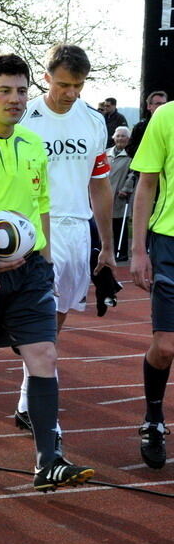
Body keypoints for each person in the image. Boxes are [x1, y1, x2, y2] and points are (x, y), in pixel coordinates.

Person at [0, 54, 94, 489]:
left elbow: (41, 205)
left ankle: (48, 458)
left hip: (29, 272)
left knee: (44, 355)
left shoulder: (32, 143)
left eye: (21, 90)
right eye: (5, 91)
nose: (15, 99)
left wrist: (44, 260)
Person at [15, 44, 115, 432]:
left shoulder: (93, 121)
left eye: (78, 85)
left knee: (54, 321)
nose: (71, 93)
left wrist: (106, 245)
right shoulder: (26, 117)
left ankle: (28, 396)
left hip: (77, 230)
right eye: (63, 84)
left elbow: (100, 185)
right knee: (38, 316)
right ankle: (37, 405)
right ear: (46, 77)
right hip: (35, 227)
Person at [129, 98, 174, 469]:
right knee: (165, 346)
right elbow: (146, 183)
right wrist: (138, 249)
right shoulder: (167, 115)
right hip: (169, 241)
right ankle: (154, 419)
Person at [106, 127, 136, 261]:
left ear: (128, 139)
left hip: (119, 195)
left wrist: (126, 189)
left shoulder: (130, 156)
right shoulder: (106, 154)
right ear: (113, 137)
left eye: (123, 136)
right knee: (105, 226)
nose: (120, 138)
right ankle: (106, 251)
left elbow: (132, 175)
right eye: (118, 136)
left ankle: (122, 253)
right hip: (105, 196)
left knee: (119, 225)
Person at [128, 90, 167, 157]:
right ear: (149, 106)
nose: (162, 106)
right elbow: (129, 149)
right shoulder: (140, 127)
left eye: (164, 104)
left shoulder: (171, 125)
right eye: (158, 104)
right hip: (145, 165)